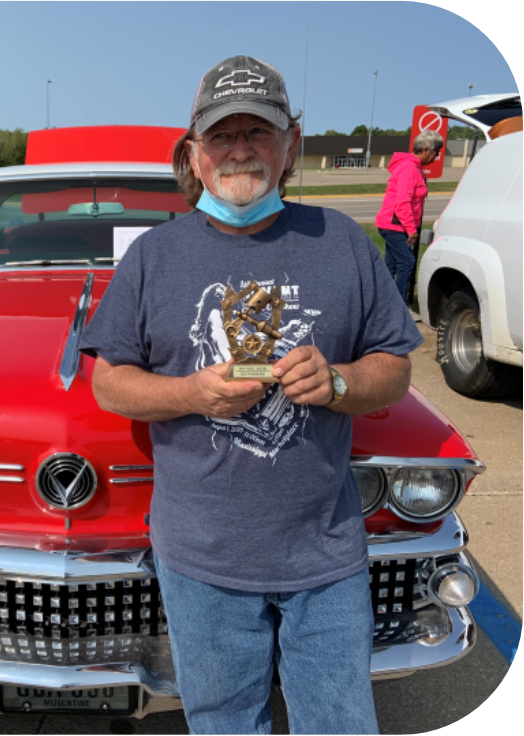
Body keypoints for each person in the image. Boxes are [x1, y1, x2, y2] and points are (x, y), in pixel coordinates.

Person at [79, 55, 424, 735]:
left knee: (341, 723)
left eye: (258, 131)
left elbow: (395, 367)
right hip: (201, 559)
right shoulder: (152, 256)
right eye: (222, 135)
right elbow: (108, 382)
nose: (240, 149)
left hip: (325, 553)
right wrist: (191, 392)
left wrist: (338, 382)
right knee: (225, 725)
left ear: (290, 143)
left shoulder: (342, 243)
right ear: (194, 153)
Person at [375, 130, 445, 305]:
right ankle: (398, 304)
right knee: (407, 262)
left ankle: (378, 301)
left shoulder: (413, 167)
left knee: (391, 265)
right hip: (394, 226)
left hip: (395, 225)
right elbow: (402, 202)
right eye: (436, 153)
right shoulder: (409, 168)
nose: (436, 158)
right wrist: (411, 230)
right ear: (426, 149)